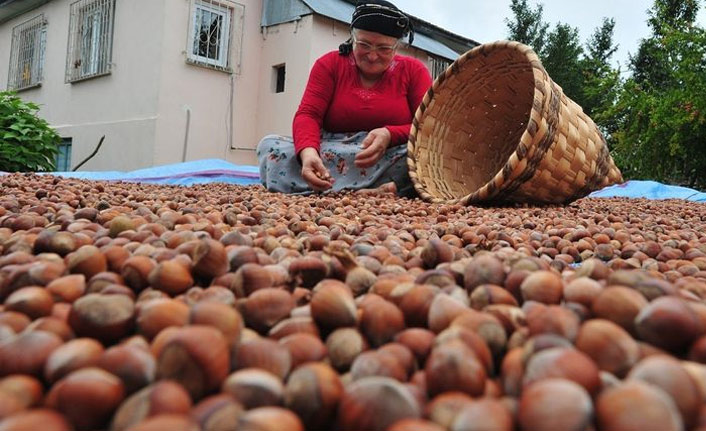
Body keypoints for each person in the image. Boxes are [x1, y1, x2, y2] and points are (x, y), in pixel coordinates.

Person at [257, 0, 433, 197]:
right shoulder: (329, 65)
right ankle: (388, 189)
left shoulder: (414, 71)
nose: (373, 56)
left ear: (396, 47)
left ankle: (386, 186)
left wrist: (390, 135)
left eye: (384, 48)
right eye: (364, 45)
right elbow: (308, 115)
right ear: (352, 39)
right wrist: (308, 153)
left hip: (389, 153)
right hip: (333, 149)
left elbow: (427, 127)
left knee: (427, 157)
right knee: (270, 146)